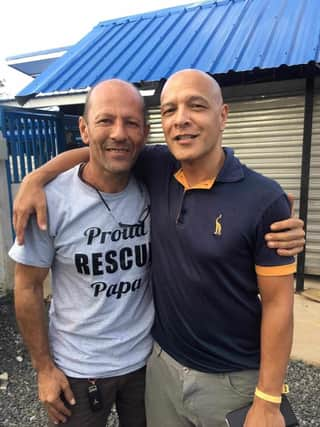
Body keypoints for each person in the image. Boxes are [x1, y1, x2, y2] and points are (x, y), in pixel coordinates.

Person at [13, 70, 305, 427]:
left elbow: (279, 302)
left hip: (190, 372)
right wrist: (34, 178)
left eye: (196, 106)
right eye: (170, 110)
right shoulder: (140, 172)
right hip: (123, 369)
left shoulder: (252, 195)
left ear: (223, 115)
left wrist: (268, 398)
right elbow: (98, 150)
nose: (181, 119)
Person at [9, 79, 154, 427]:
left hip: (148, 364)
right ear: (84, 129)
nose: (119, 133)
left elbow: (212, 170)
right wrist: (44, 369)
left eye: (131, 122)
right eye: (105, 120)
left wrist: (267, 205)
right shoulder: (49, 201)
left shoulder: (156, 180)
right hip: (79, 370)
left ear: (145, 133)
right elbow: (27, 287)